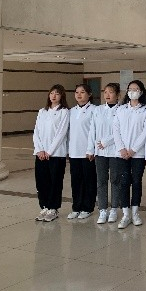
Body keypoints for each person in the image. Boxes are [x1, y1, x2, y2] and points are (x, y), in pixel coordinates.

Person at [113, 80, 146, 229]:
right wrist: (121, 148)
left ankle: (135, 213)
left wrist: (133, 149)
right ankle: (126, 214)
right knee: (124, 182)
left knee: (136, 182)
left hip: (138, 154)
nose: (132, 92)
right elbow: (116, 129)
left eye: (136, 89)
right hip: (122, 154)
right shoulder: (121, 109)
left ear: (141, 92)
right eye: (130, 89)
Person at [33, 85, 70, 222]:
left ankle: (53, 208)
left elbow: (61, 133)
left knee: (55, 182)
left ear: (62, 96)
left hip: (56, 154)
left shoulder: (64, 112)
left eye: (57, 94)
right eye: (52, 93)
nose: (54, 96)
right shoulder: (42, 111)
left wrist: (49, 151)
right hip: (41, 154)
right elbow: (36, 132)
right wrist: (40, 149)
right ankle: (44, 206)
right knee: (41, 182)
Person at [88, 83, 121, 224]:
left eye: (111, 92)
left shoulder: (122, 110)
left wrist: (106, 142)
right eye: (105, 92)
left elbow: (121, 131)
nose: (107, 95)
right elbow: (92, 130)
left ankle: (114, 209)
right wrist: (90, 149)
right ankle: (102, 209)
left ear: (118, 95)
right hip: (100, 152)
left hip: (116, 151)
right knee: (101, 181)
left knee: (115, 180)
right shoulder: (98, 110)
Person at [67, 84, 96, 220]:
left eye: (82, 92)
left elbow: (95, 132)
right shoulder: (71, 111)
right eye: (77, 92)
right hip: (74, 152)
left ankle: (87, 207)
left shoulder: (94, 110)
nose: (79, 95)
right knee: (76, 181)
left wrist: (91, 149)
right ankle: (76, 207)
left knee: (89, 181)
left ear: (89, 94)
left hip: (88, 152)